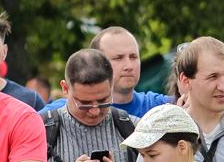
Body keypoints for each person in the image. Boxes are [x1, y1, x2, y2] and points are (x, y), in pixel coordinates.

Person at [41, 27, 170, 118]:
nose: (129, 66)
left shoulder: (160, 106)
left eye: (133, 57)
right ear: (95, 63)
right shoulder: (60, 112)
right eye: (118, 58)